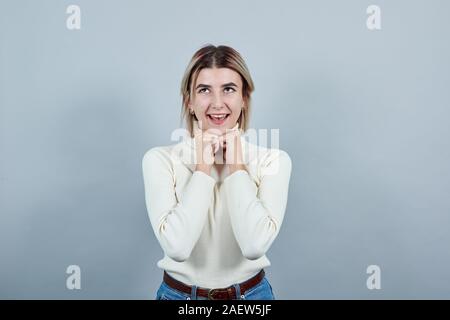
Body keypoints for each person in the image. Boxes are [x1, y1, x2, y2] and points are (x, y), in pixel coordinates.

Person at [142, 44, 292, 300]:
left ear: (244, 99)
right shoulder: (160, 160)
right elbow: (177, 248)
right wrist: (203, 168)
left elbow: (254, 246)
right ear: (189, 101)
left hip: (251, 298)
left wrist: (236, 167)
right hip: (179, 297)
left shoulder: (273, 160)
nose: (217, 103)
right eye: (204, 90)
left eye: (229, 89)